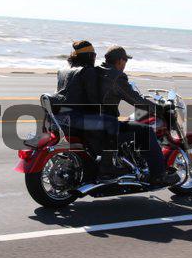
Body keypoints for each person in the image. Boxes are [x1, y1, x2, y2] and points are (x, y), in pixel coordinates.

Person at [96, 45, 180, 186]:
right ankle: (158, 176)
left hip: (91, 121)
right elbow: (136, 100)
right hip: (105, 125)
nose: (125, 65)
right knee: (146, 131)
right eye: (125, 61)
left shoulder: (96, 71)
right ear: (120, 61)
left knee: (129, 123)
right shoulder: (117, 77)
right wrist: (159, 109)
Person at [51, 41, 116, 174]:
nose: (95, 57)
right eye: (94, 55)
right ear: (89, 56)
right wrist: (105, 111)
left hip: (59, 118)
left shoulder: (62, 70)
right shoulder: (87, 71)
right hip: (76, 119)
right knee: (112, 122)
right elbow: (93, 100)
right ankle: (107, 166)